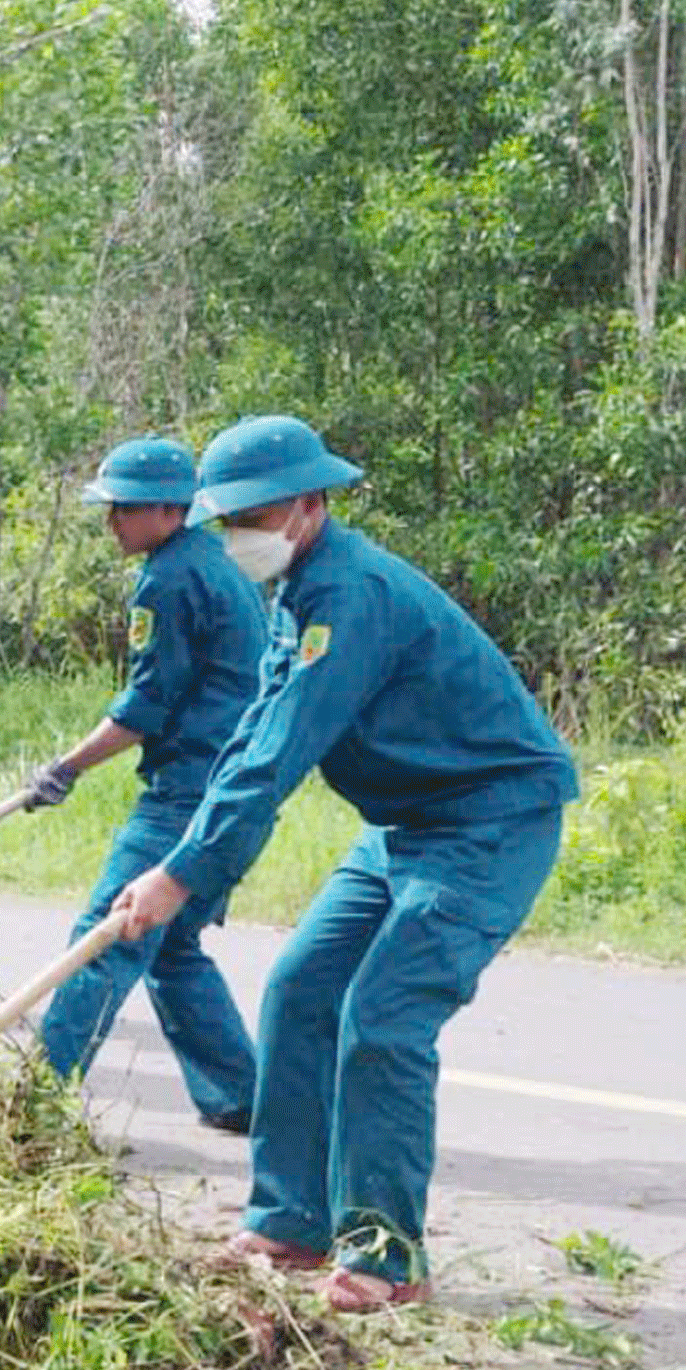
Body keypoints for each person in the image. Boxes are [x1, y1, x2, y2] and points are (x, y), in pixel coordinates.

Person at [107, 416, 579, 1313]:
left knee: (384, 1017)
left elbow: (284, 752)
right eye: (230, 518)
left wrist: (182, 877)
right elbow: (251, 735)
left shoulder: (352, 594)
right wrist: (183, 858)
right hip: (402, 824)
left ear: (310, 504)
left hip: (488, 821)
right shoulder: (296, 590)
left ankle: (386, 1256)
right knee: (299, 988)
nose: (241, 533)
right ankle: (292, 1219)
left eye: (259, 513)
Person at [27, 437, 267, 1131]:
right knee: (174, 944)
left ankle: (33, 1103)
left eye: (124, 510)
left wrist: (64, 769)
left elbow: (145, 707)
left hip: (190, 795)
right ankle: (241, 1097)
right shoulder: (218, 560)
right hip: (237, 791)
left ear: (170, 508)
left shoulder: (166, 577)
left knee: (110, 933)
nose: (112, 525)